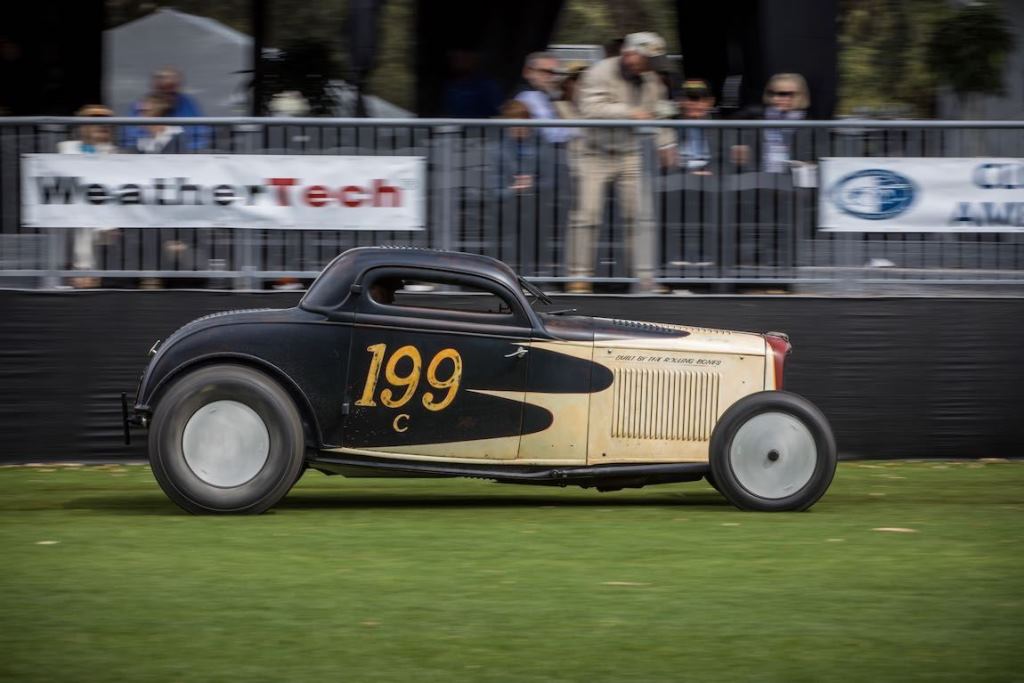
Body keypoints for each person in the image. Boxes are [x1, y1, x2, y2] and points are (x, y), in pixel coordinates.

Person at [569, 32, 677, 293]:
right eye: (648, 58)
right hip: (593, 153)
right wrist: (630, 113)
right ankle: (579, 275)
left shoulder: (651, 79)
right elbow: (590, 110)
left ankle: (643, 277)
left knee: (639, 215)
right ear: (630, 54)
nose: (652, 64)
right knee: (587, 215)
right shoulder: (598, 72)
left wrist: (667, 142)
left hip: (630, 153)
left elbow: (659, 112)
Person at [58, 104, 119, 288]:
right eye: (95, 120)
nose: (102, 125)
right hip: (73, 214)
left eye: (107, 122)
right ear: (82, 126)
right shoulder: (64, 149)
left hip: (106, 216)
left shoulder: (116, 153)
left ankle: (91, 275)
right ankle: (81, 272)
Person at [731, 73, 810, 173]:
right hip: (757, 178)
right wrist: (736, 144)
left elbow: (817, 155)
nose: (776, 98)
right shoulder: (754, 115)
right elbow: (727, 132)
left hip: (792, 180)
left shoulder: (810, 121)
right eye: (772, 93)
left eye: (784, 94)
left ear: (800, 95)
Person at [123, 67, 210, 150]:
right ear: (155, 86)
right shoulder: (143, 104)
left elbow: (200, 136)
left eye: (171, 89)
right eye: (163, 88)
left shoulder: (188, 104)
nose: (167, 94)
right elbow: (130, 137)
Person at [514, 52, 576, 145]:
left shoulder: (548, 95)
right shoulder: (528, 97)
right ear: (528, 72)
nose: (551, 77)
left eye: (554, 73)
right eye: (545, 72)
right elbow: (553, 135)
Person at [440, 49, 503, 118]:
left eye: (464, 57)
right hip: (452, 126)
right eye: (456, 57)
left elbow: (497, 113)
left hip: (479, 126)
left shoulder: (487, 85)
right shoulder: (450, 85)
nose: (459, 60)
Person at [676, 79, 716, 174]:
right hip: (679, 179)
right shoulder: (670, 127)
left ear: (710, 102)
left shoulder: (720, 128)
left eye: (697, 99)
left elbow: (724, 161)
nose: (692, 104)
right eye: (688, 99)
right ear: (680, 102)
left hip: (711, 179)